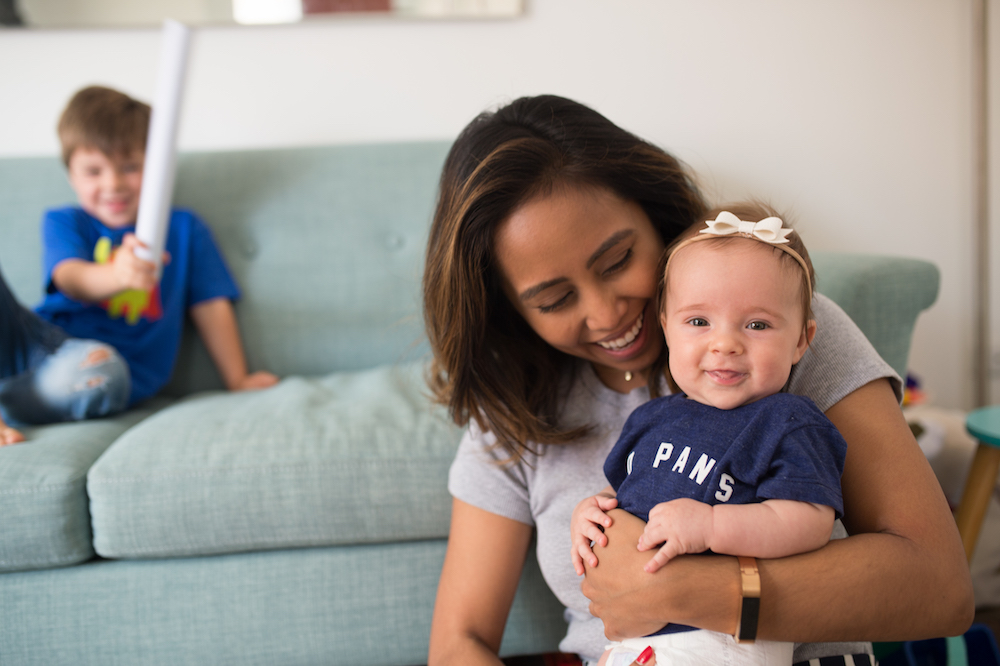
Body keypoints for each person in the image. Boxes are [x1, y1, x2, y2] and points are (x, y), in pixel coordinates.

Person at [423, 94, 973, 666]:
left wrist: (681, 592)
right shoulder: (513, 407)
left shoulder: (776, 335)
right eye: (555, 299)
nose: (607, 314)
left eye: (617, 261)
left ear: (654, 215)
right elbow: (459, 643)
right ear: (510, 310)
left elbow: (941, 589)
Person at [572, 205, 847, 666]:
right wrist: (590, 513)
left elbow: (809, 521)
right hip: (632, 638)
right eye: (699, 322)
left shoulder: (786, 421)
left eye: (757, 325)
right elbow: (622, 494)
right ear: (667, 327)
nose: (725, 344)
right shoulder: (651, 419)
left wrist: (711, 526)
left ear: (801, 340)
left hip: (724, 635)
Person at [30, 86, 276, 422]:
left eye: (130, 167)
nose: (113, 184)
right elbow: (70, 278)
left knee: (98, 371)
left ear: (160, 169)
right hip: (41, 345)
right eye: (94, 171)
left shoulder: (185, 229)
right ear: (71, 175)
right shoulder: (64, 221)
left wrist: (237, 379)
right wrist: (116, 275)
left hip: (106, 374)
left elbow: (211, 304)